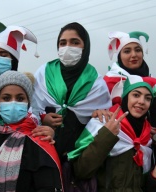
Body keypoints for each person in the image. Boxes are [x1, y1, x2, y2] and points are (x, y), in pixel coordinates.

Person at [68, 75, 156, 192]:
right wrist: (107, 136)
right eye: (136, 95)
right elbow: (81, 169)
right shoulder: (103, 123)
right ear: (125, 97)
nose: (141, 102)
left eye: (147, 98)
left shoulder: (147, 137)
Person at [32, 22, 111, 161]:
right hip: (44, 154)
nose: (68, 47)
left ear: (85, 47)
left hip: (80, 157)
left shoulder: (96, 83)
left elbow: (103, 125)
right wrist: (42, 118)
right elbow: (30, 109)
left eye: (75, 42)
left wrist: (97, 116)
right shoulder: (43, 73)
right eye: (63, 43)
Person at [104, 31, 156, 127]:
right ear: (119, 56)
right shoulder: (108, 83)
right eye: (127, 51)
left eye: (138, 50)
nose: (134, 55)